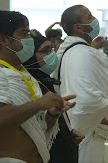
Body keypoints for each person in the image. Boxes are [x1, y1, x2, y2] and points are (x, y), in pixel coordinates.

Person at [0, 10, 75, 163]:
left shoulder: (23, 75)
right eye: (24, 33)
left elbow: (33, 126)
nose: (30, 40)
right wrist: (39, 104)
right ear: (3, 39)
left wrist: (51, 114)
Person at [51, 5, 108, 163]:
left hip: (75, 127)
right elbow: (86, 100)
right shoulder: (83, 53)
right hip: (84, 133)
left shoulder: (72, 50)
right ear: (78, 27)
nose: (95, 20)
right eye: (90, 17)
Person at [22, 29, 84, 163]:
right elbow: (32, 128)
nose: (51, 54)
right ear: (29, 56)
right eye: (45, 51)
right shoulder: (26, 86)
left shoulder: (46, 81)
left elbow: (49, 119)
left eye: (51, 49)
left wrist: (67, 131)